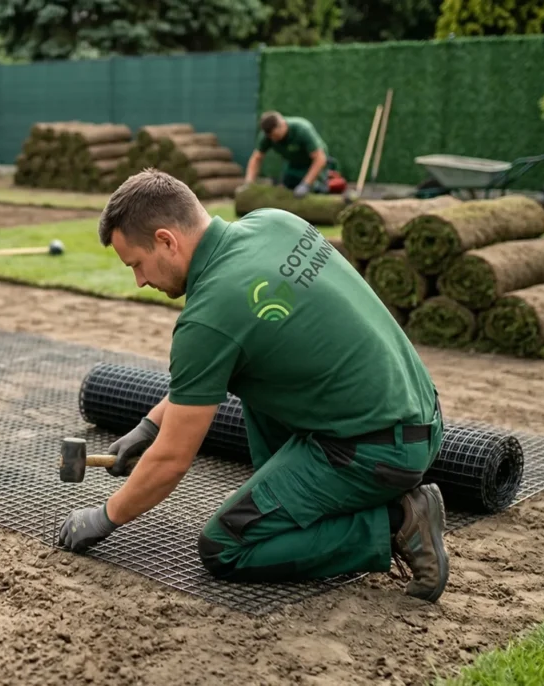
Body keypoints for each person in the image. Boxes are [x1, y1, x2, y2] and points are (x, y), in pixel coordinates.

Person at [58, 169, 450, 603]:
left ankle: (397, 522)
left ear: (167, 240)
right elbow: (212, 370)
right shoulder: (274, 222)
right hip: (423, 416)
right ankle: (296, 504)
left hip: (376, 452)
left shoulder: (207, 317)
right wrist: (148, 428)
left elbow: (171, 461)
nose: (140, 280)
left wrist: (104, 516)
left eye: (136, 264)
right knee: (251, 375)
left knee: (227, 546)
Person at [243, 111, 333, 198]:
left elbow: (320, 158)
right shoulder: (267, 136)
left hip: (314, 164)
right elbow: (256, 158)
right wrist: (249, 183)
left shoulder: (302, 129)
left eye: (275, 136)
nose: (273, 139)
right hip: (293, 164)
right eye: (270, 137)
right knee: (287, 191)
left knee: (317, 191)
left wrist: (306, 184)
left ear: (282, 125)